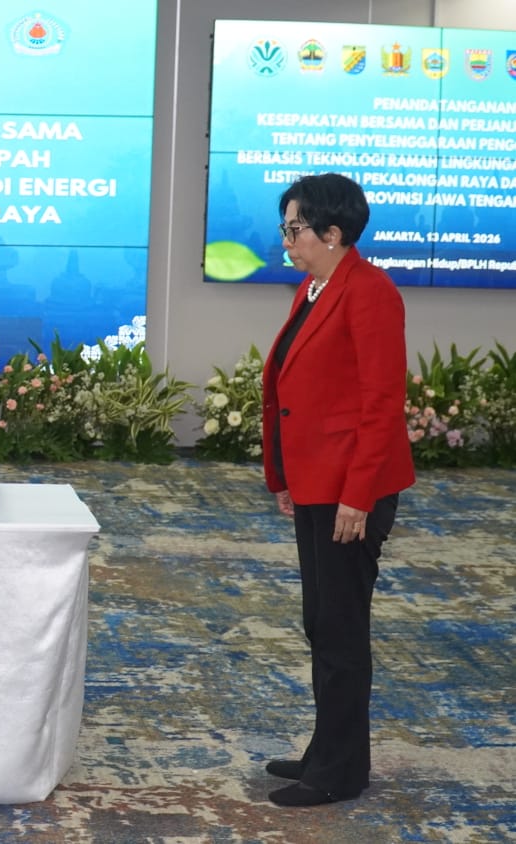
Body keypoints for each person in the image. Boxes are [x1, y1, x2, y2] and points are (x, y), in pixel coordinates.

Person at [260, 173, 415, 807]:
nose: (286, 240)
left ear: (332, 232)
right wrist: (285, 476)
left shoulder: (371, 292)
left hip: (352, 490)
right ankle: (326, 751)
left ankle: (340, 772)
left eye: (294, 229)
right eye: (285, 228)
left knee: (341, 629)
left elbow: (381, 403)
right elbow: (297, 389)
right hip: (317, 483)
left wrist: (357, 495)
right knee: (321, 622)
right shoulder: (316, 286)